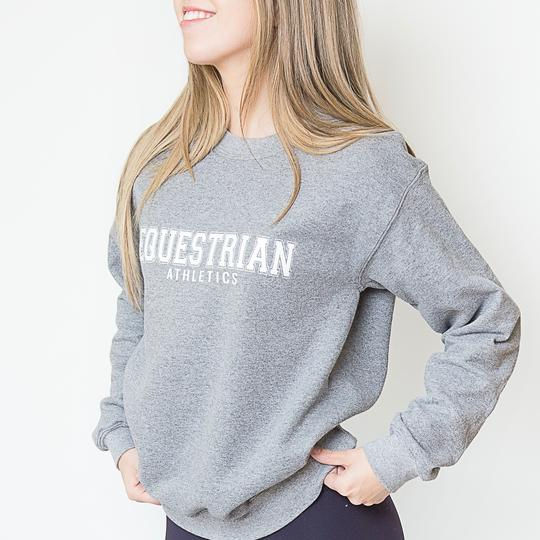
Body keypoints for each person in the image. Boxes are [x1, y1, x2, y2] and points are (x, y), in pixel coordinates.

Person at [91, 1, 522, 539]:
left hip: (315, 519)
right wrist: (121, 430)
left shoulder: (363, 170)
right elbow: (138, 308)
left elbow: (486, 320)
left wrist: (403, 452)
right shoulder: (159, 163)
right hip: (185, 521)